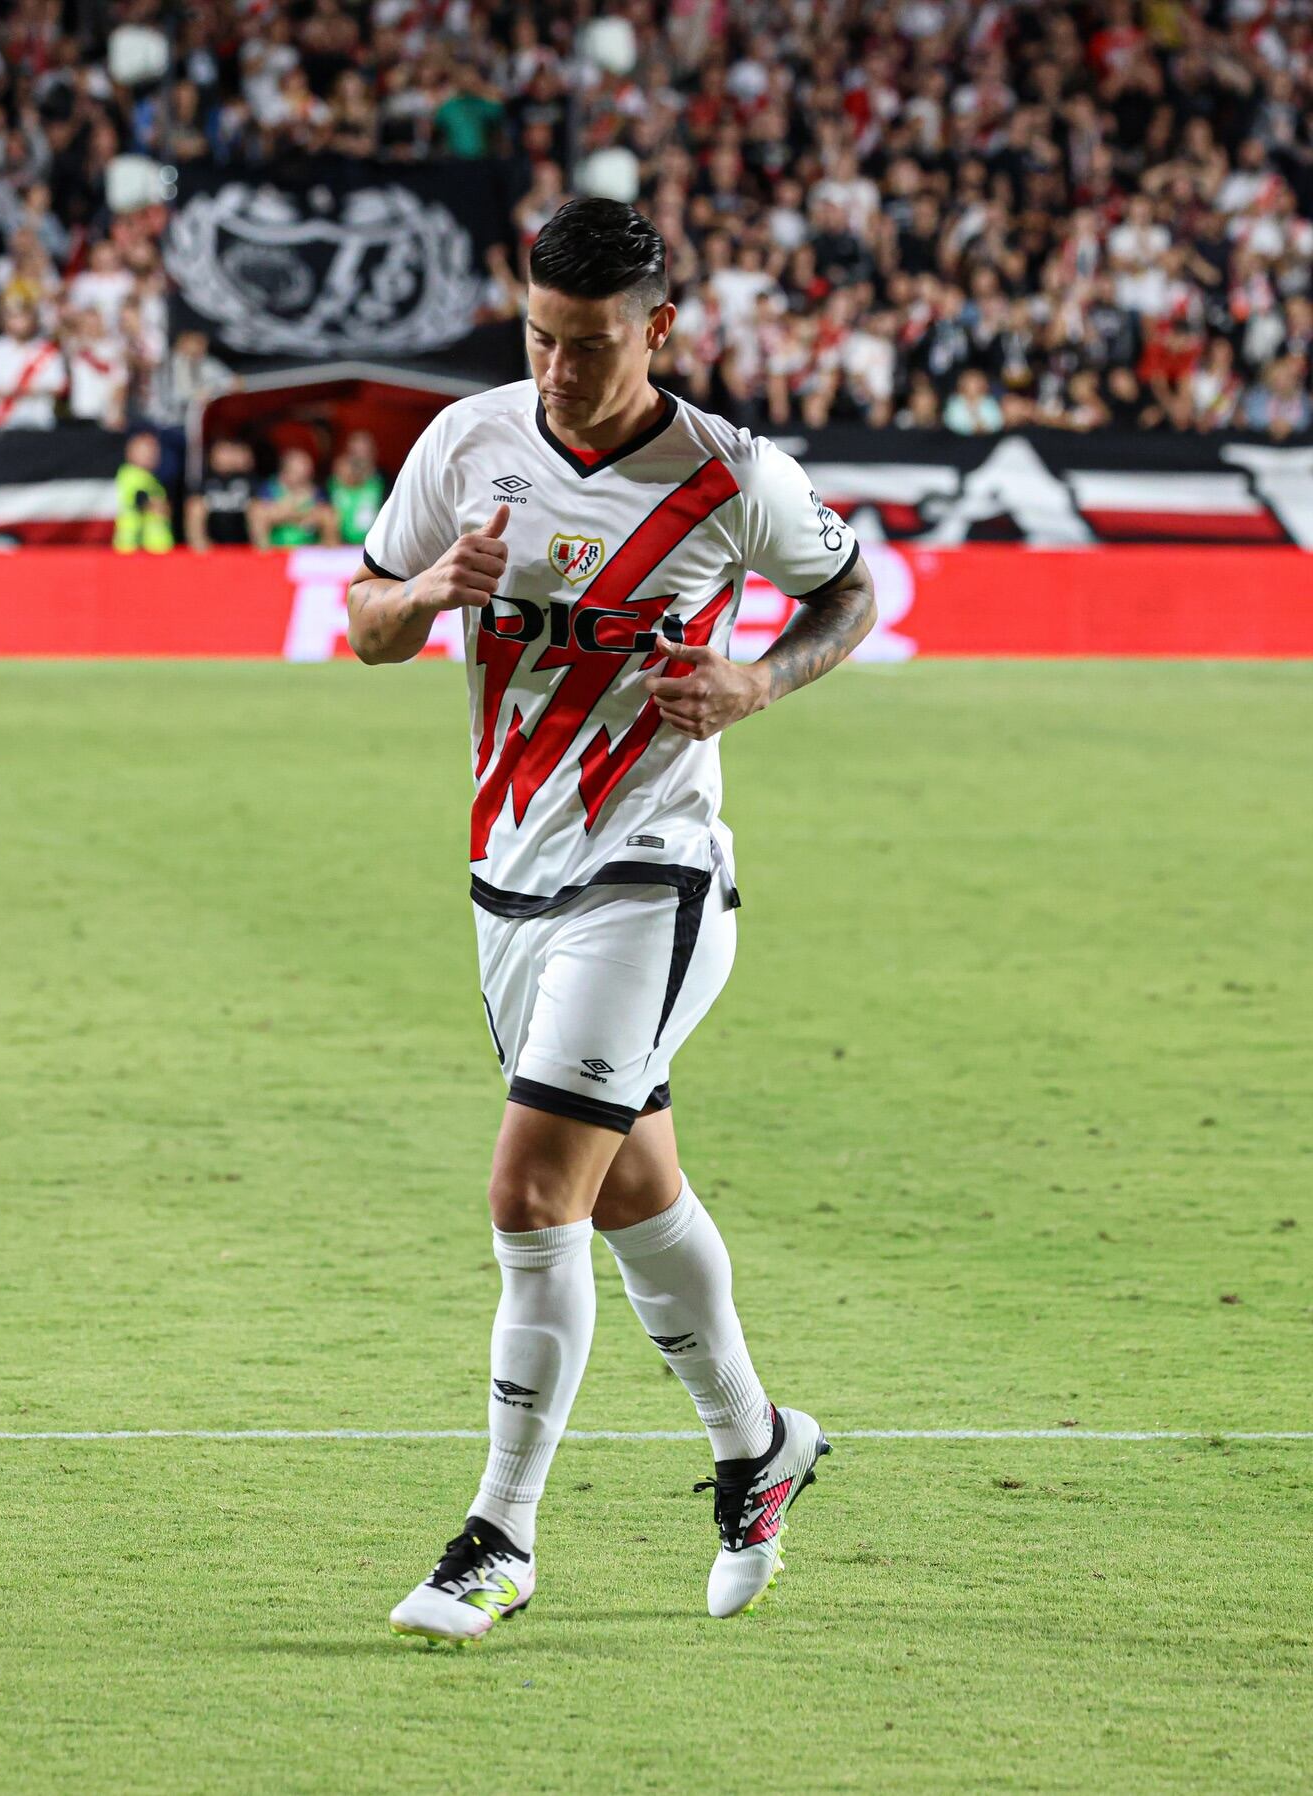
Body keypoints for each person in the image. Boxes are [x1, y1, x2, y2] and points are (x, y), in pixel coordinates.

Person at [346, 198, 876, 1645]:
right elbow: (363, 617)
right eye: (539, 338)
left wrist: (760, 684)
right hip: (510, 877)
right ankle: (760, 1443)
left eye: (587, 347)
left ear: (658, 329)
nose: (559, 371)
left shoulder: (728, 475)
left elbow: (851, 592)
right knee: (633, 1186)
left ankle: (498, 1536)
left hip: (655, 870)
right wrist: (429, 593)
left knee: (533, 1191)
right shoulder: (467, 442)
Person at [0, 301, 67, 432]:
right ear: (5, 321)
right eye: (14, 317)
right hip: (3, 424)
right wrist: (8, 391)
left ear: (34, 320)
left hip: (40, 422)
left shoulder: (48, 349)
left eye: (25, 317)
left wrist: (27, 390)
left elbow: (59, 386)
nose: (20, 323)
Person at [248, 447, 337, 547]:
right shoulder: (268, 489)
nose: (306, 474)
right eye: (298, 471)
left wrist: (285, 514)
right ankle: (264, 557)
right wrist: (298, 514)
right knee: (257, 512)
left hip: (309, 548)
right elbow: (260, 512)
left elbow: (323, 514)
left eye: (307, 471)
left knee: (329, 515)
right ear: (285, 471)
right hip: (276, 547)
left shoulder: (317, 491)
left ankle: (330, 557)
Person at [185, 437, 256, 550]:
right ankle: (201, 553)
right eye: (222, 451)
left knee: (257, 508)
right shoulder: (205, 481)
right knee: (195, 507)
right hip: (213, 537)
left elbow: (259, 504)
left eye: (229, 452)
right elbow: (194, 503)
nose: (227, 457)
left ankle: (261, 554)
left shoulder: (249, 480)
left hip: (243, 534)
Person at [114, 429, 174, 553]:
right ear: (130, 453)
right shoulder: (130, 474)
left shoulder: (152, 479)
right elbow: (141, 499)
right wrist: (159, 505)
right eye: (145, 451)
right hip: (136, 548)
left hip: (154, 550)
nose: (150, 455)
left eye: (154, 451)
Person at [328, 432, 386, 545]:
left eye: (364, 452)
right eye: (355, 453)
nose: (360, 458)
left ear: (374, 453)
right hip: (341, 547)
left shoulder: (384, 483)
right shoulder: (333, 486)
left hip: (374, 546)